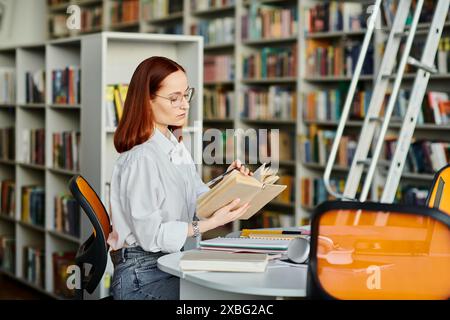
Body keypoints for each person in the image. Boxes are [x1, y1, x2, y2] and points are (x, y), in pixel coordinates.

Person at [108, 56, 252, 300]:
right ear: (147, 102)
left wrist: (227, 183)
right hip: (141, 274)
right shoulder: (142, 158)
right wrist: (208, 224)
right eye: (174, 98)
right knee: (223, 297)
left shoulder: (174, 146)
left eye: (186, 95)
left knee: (237, 290)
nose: (184, 105)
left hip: (170, 261)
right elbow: (151, 236)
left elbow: (196, 198)